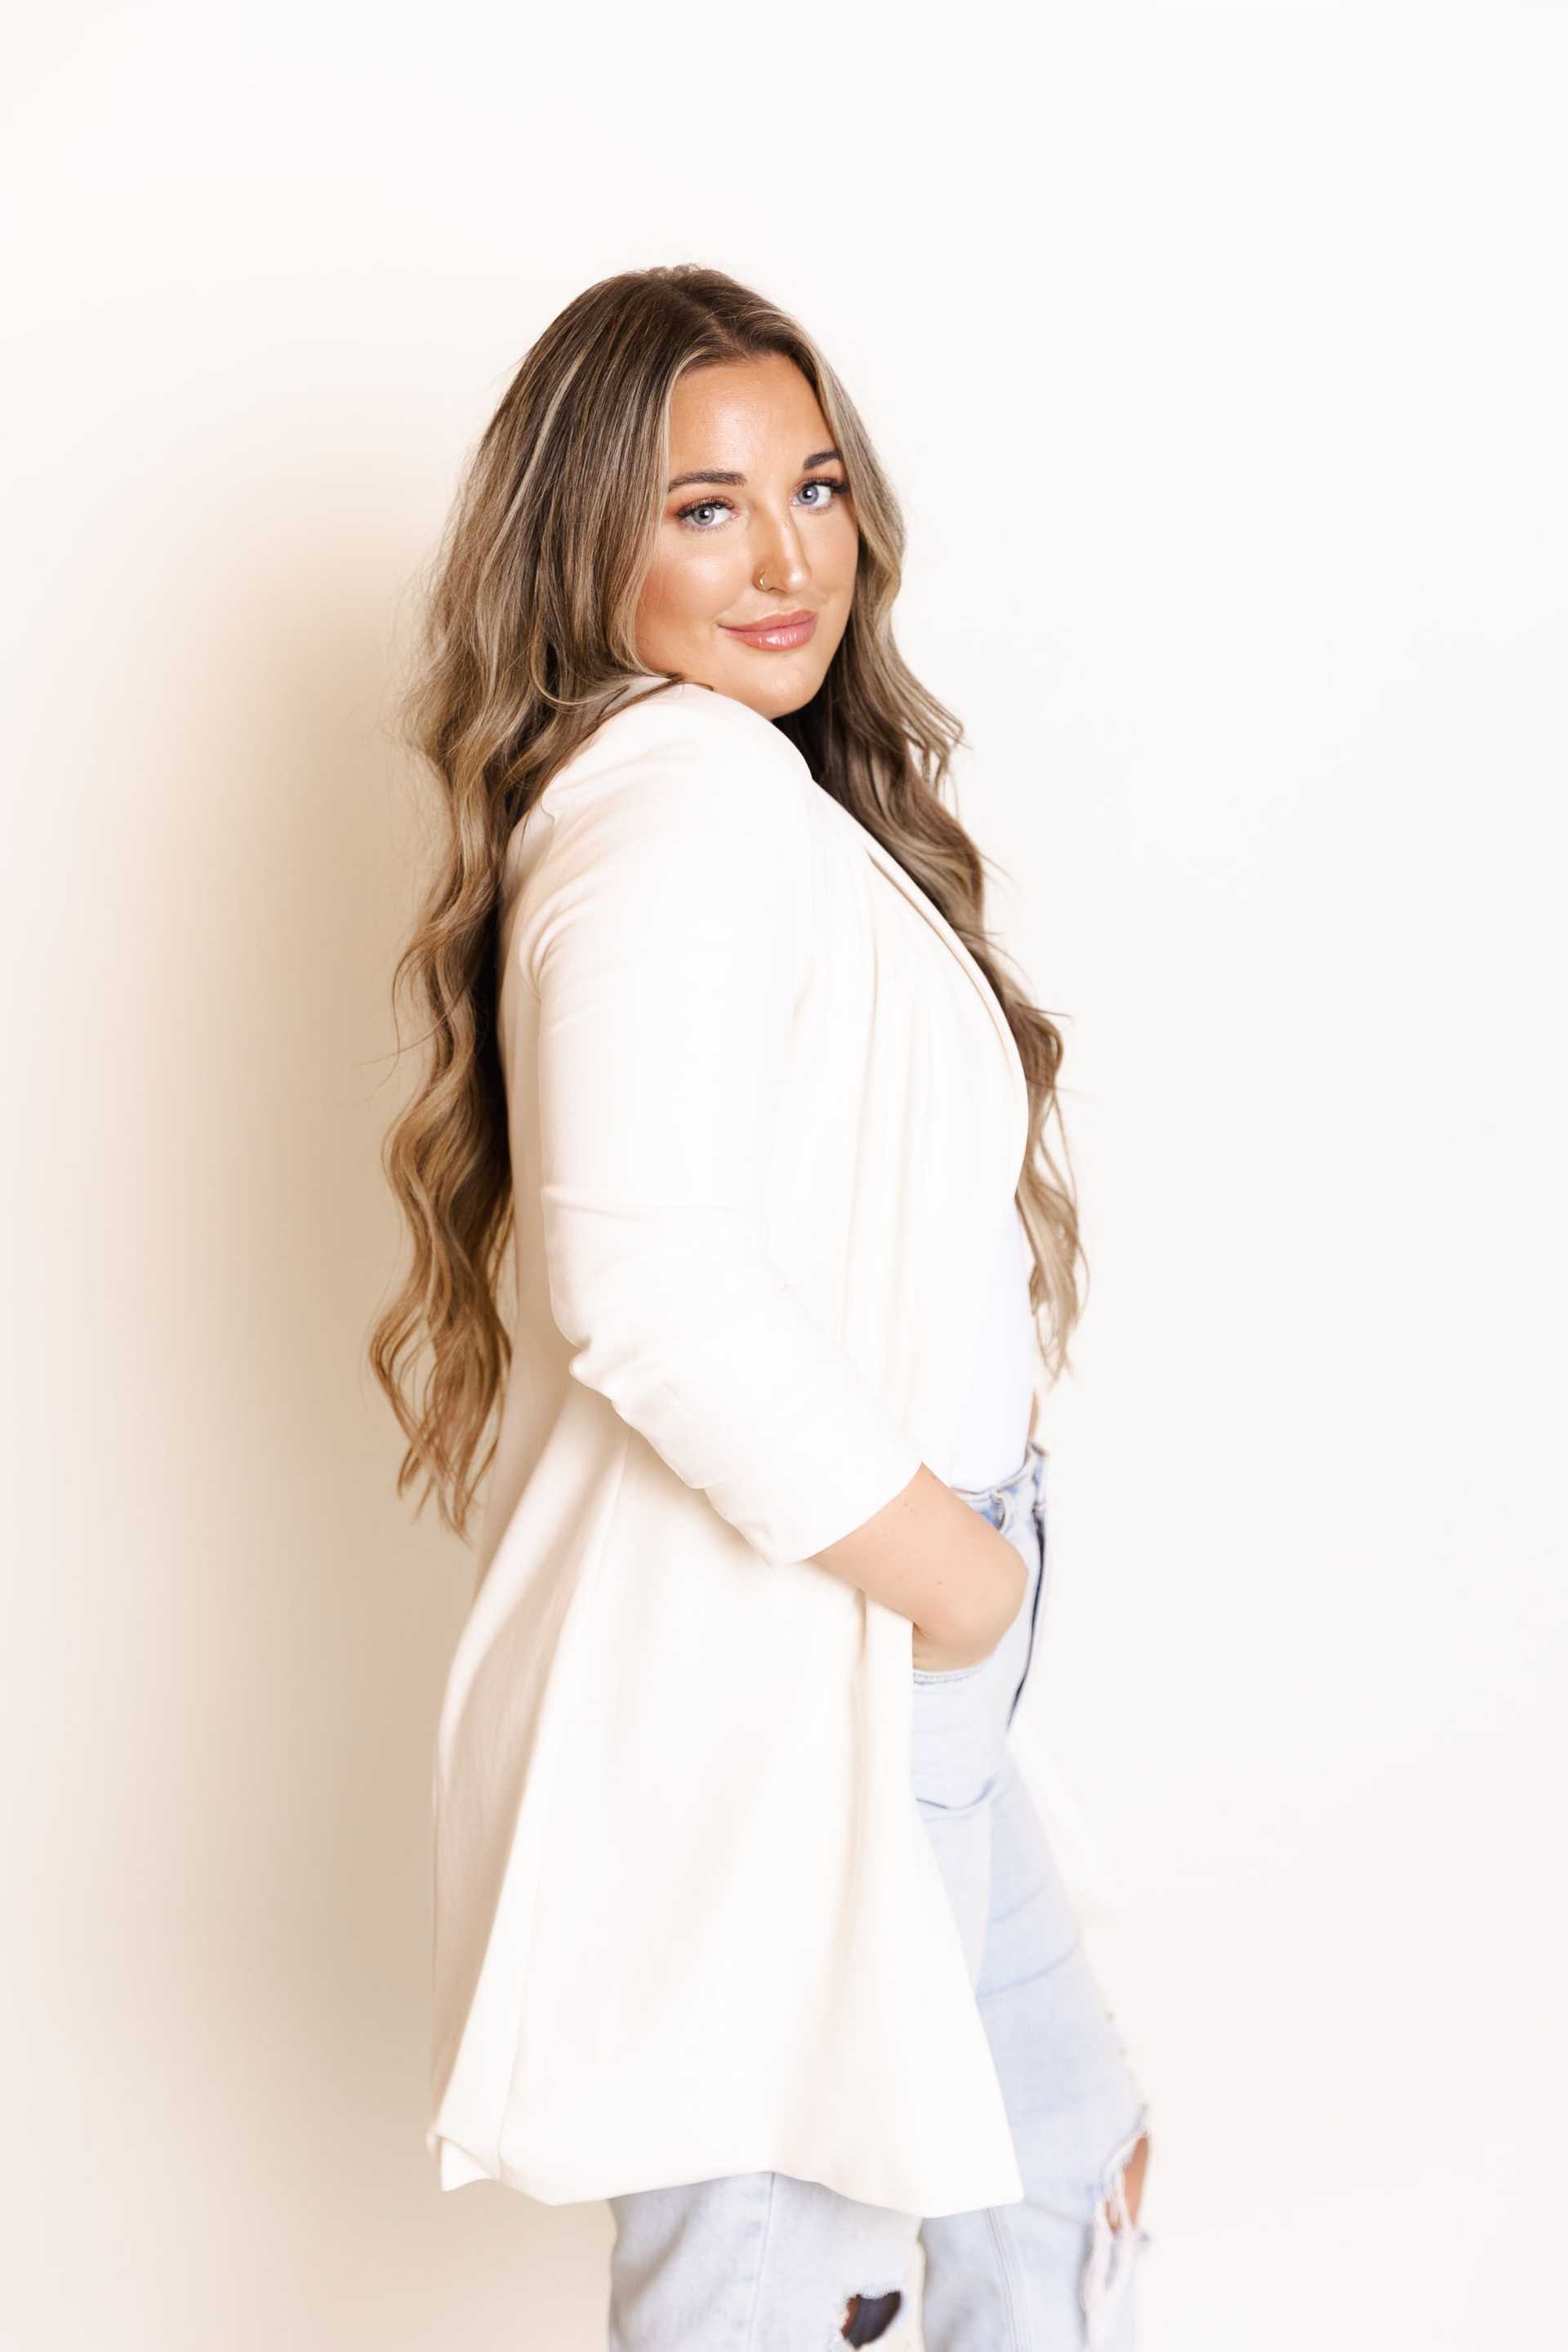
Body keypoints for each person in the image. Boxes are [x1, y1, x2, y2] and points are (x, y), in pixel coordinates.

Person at [370, 262, 1152, 2349]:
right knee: (781, 2271)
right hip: (832, 1643)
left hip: (898, 1655)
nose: (787, 554)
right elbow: (640, 1280)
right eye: (702, 507)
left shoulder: (744, 794)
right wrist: (956, 1586)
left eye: (810, 488)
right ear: (583, 542)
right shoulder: (676, 798)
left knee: (1052, 2185)